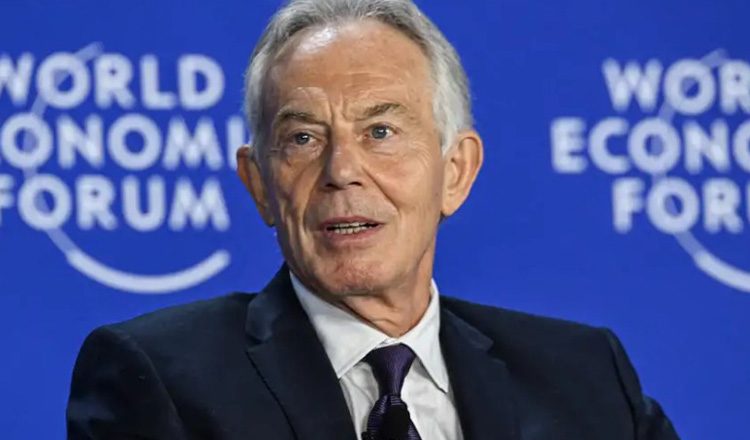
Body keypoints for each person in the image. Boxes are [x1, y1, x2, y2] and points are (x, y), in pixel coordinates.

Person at [67, 0, 680, 439]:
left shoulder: (585, 378)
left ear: (456, 171)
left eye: (380, 131)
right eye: (304, 138)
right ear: (259, 185)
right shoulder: (159, 378)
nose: (342, 171)